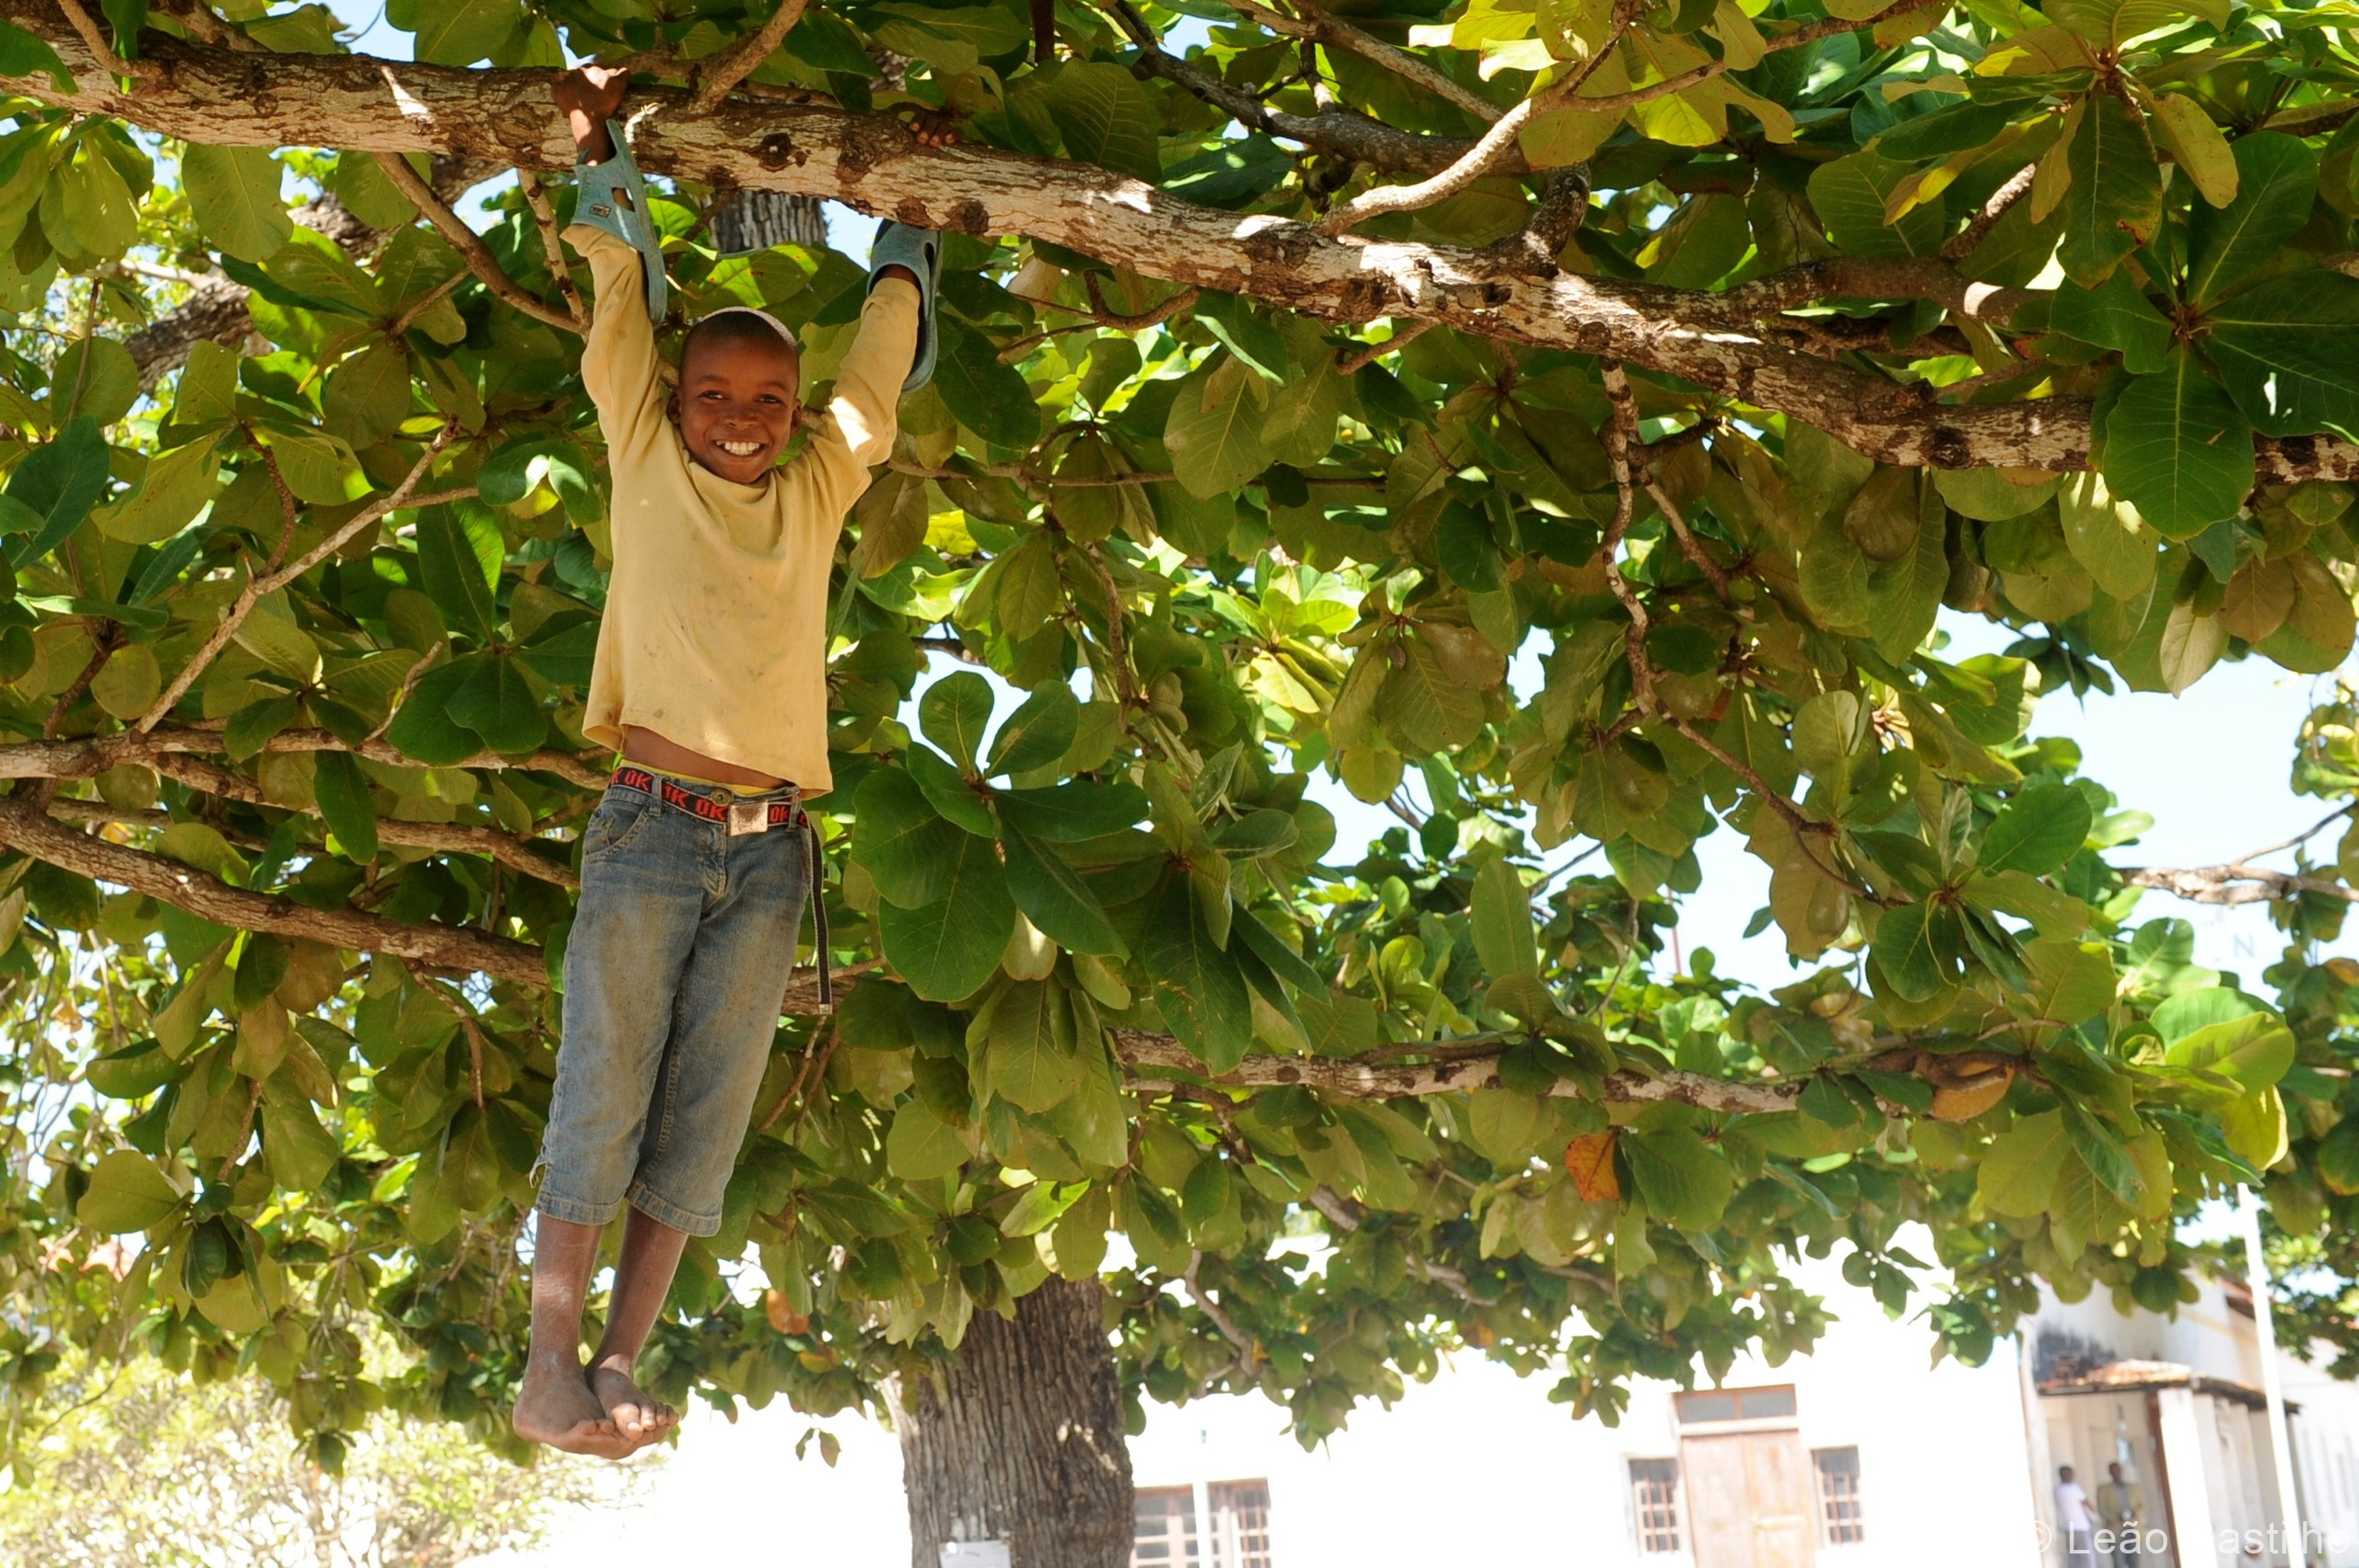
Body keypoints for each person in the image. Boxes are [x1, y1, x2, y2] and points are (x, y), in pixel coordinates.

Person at [511, 64, 946, 1458]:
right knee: (604, 1090)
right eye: (713, 390)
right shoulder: (643, 452)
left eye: (768, 395)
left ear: (797, 408)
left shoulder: (819, 487)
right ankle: (547, 1365)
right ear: (676, 396)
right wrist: (599, 146)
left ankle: (620, 1357)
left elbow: (880, 372)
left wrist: (910, 224)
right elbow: (622, 296)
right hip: (652, 828)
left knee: (701, 1123)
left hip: (770, 857)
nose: (740, 414)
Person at [2096, 1462, 2148, 1567]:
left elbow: (2144, 1506)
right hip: (2115, 1530)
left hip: (2134, 1529)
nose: (2116, 1472)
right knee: (2118, 1562)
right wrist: (2116, 1517)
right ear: (2110, 1472)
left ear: (2122, 1471)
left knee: (2135, 1562)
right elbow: (2102, 1509)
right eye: (2113, 1470)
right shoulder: (2103, 1489)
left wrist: (2136, 1513)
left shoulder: (2134, 1488)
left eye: (2118, 1469)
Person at [2057, 1465, 2099, 1568]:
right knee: (2088, 1559)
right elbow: (2089, 1505)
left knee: (2074, 1559)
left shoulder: (2057, 1490)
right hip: (2081, 1527)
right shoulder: (2074, 1489)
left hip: (2068, 1528)